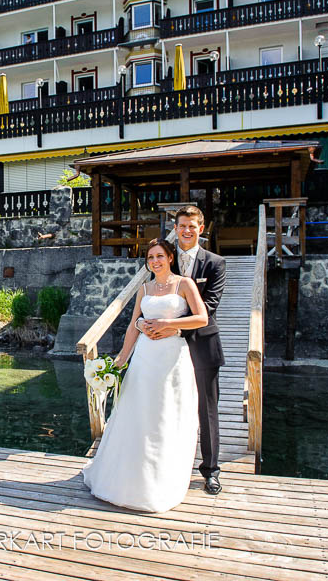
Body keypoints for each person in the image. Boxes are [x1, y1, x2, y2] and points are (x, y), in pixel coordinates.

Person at [82, 239, 209, 512]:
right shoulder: (144, 288)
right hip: (144, 358)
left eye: (160, 256)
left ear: (170, 258)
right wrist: (121, 358)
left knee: (164, 415)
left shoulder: (184, 284)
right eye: (150, 257)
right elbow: (132, 327)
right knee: (137, 414)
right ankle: (126, 479)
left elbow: (202, 318)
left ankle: (160, 481)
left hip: (172, 358)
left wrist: (169, 324)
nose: (155, 261)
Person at [140, 205, 226, 495]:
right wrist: (144, 324)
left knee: (206, 408)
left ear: (201, 229)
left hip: (201, 343)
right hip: (165, 350)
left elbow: (210, 306)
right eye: (182, 226)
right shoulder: (165, 259)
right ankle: (167, 467)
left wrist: (172, 326)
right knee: (164, 406)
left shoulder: (214, 263)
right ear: (175, 228)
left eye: (192, 226)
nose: (187, 231)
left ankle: (211, 471)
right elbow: (150, 294)